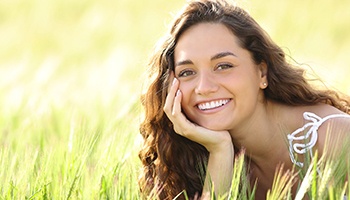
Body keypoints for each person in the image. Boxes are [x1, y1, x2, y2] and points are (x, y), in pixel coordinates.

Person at [138, 0, 350, 199]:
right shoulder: (191, 158)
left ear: (262, 73)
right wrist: (220, 152)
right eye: (187, 72)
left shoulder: (335, 138)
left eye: (223, 66)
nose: (204, 87)